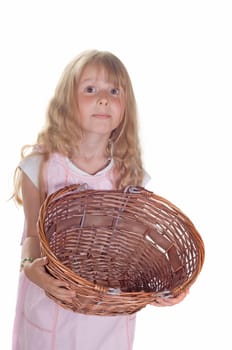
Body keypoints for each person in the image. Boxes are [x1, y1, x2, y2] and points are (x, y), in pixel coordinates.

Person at [12, 49, 189, 350]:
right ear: (67, 102)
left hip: (107, 320)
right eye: (90, 89)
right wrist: (31, 269)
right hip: (52, 306)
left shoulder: (129, 176)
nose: (103, 98)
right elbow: (31, 235)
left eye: (114, 90)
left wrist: (169, 283)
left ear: (125, 108)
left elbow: (139, 244)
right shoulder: (39, 167)